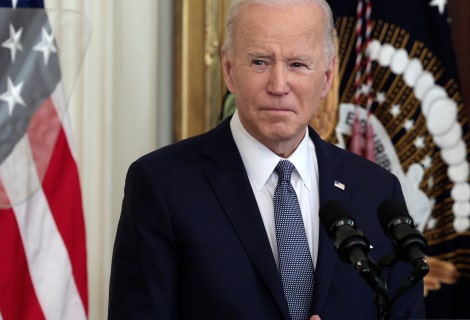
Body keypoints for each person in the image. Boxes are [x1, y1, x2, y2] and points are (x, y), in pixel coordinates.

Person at [107, 0, 426, 319]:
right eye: (259, 62)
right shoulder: (162, 186)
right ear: (229, 70)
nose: (278, 86)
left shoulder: (378, 192)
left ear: (327, 76)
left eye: (298, 64)